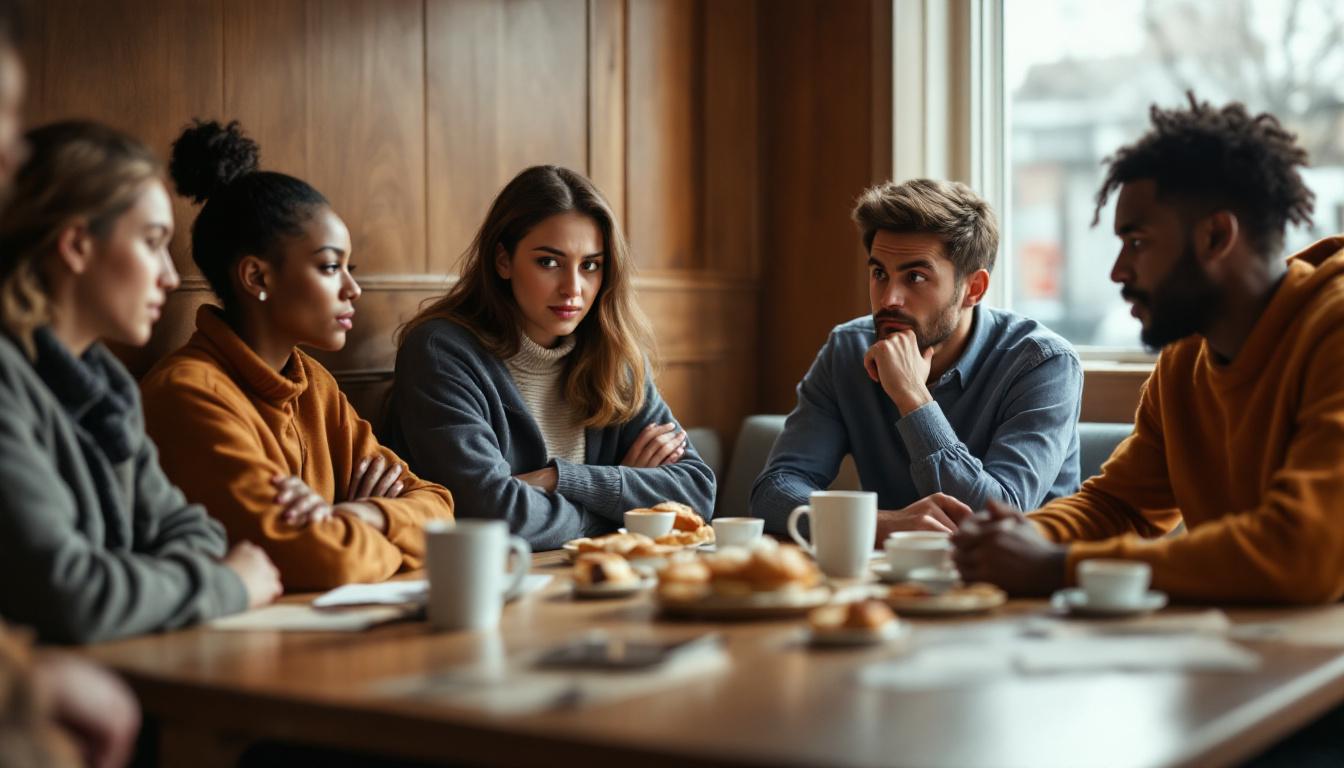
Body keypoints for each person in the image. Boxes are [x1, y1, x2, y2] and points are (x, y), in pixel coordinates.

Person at [951, 95, 1344, 604]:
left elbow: (1303, 552)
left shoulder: (1332, 333)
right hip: (1256, 640)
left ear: (1215, 236)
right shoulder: (1185, 359)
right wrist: (1016, 539)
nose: (1118, 271)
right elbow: (1121, 506)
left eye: (1136, 242)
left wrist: (1057, 566)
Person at [140, 120, 455, 591]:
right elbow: (326, 563)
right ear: (257, 278)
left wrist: (363, 515)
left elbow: (440, 509)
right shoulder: (188, 395)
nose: (353, 288)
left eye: (350, 267)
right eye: (329, 267)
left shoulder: (313, 383)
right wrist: (385, 530)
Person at [0, 120, 280, 643]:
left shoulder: (107, 387)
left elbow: (194, 531)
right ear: (77, 245)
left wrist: (136, 586)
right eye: (152, 242)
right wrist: (226, 585)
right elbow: (70, 595)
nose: (170, 277)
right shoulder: (8, 384)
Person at [385, 165, 715, 550]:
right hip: (483, 577)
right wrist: (619, 499)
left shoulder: (617, 355)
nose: (573, 288)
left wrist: (558, 479)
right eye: (549, 262)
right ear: (503, 260)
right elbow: (495, 515)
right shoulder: (440, 352)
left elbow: (696, 494)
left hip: (590, 575)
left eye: (590, 265)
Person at [751, 178, 1082, 542]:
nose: (889, 299)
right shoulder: (847, 350)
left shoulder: (1043, 363)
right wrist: (879, 525)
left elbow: (997, 518)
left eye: (916, 277)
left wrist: (913, 398)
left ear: (973, 288)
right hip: (890, 571)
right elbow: (774, 491)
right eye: (880, 273)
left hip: (1019, 573)